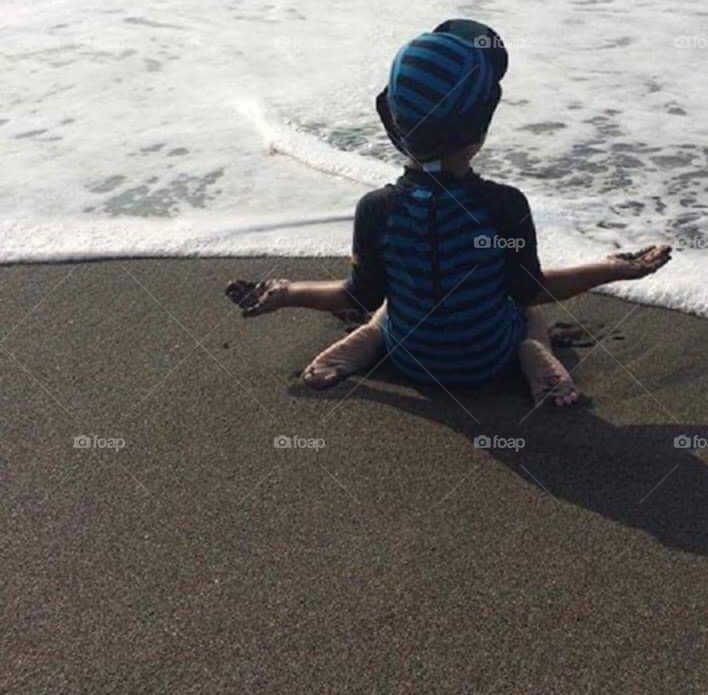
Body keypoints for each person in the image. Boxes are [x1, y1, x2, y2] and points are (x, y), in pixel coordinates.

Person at [226, 20, 671, 408]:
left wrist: (289, 292)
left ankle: (373, 336)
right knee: (526, 310)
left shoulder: (376, 210)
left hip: (413, 359)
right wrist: (612, 269)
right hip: (487, 359)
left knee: (385, 302)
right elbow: (532, 291)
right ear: (480, 132)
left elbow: (356, 295)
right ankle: (533, 349)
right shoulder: (503, 206)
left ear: (391, 123)